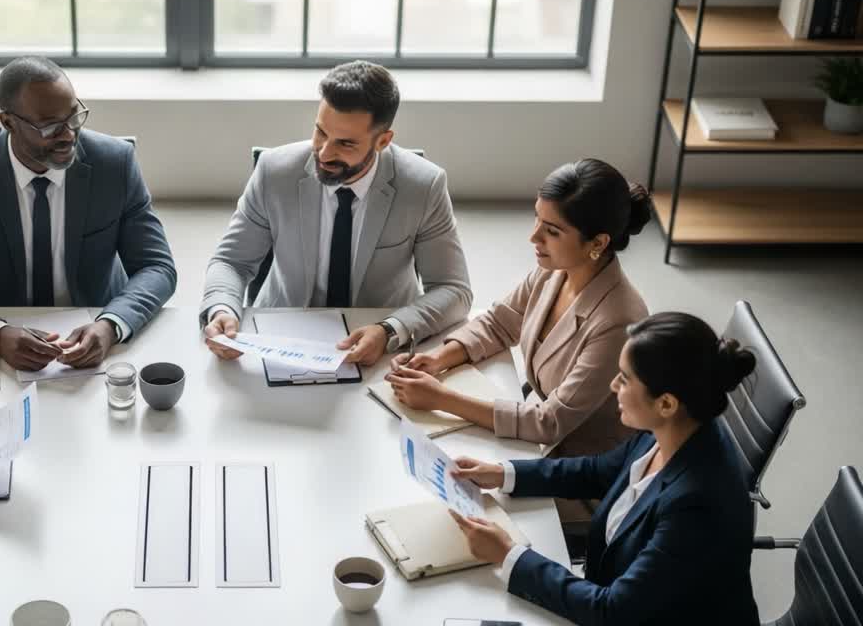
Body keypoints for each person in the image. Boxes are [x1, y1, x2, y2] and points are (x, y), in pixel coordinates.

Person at [447, 312, 761, 626]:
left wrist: (508, 555)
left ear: (666, 403)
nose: (613, 386)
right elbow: (597, 472)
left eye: (624, 379)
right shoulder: (673, 427)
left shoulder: (697, 505)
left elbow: (613, 612)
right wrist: (503, 473)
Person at [386, 159, 650, 527]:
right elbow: (499, 323)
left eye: (552, 231)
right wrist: (439, 360)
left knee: (453, 506)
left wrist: (440, 398)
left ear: (598, 243)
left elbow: (548, 422)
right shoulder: (556, 271)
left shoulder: (618, 320)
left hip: (582, 477)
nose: (533, 237)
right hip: (543, 447)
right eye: (537, 220)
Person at [0, 56, 177, 372]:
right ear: (8, 123)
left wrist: (111, 324)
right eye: (50, 125)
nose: (68, 135)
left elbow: (157, 266)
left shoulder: (115, 163)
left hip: (95, 327)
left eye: (74, 116)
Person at [200, 60, 472, 366]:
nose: (325, 152)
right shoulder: (274, 171)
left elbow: (454, 290)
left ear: (383, 141)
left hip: (378, 344)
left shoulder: (424, 186)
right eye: (320, 132)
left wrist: (389, 330)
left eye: (345, 143)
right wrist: (222, 309)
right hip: (281, 334)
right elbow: (231, 261)